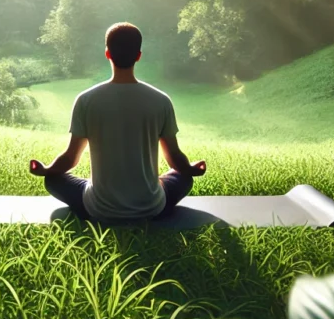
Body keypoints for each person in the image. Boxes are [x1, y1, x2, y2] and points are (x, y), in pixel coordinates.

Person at [28, 22, 206, 222]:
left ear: (107, 53)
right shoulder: (161, 100)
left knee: (53, 180)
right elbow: (174, 157)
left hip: (98, 208)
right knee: (183, 178)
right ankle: (149, 190)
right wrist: (191, 169)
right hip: (152, 207)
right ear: (139, 55)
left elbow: (71, 159)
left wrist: (46, 170)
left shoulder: (86, 100)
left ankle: (104, 192)